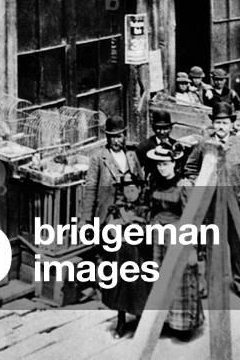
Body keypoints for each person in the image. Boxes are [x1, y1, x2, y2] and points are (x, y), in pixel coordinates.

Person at [185, 101, 240, 300]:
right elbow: (190, 169)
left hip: (236, 205)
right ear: (213, 124)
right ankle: (210, 285)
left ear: (232, 124)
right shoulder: (204, 144)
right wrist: (199, 186)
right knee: (210, 246)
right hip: (211, 205)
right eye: (218, 123)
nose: (221, 127)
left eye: (225, 123)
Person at [147, 144, 203, 335]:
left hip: (178, 236)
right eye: (158, 164)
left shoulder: (184, 185)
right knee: (159, 278)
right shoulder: (154, 182)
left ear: (174, 163)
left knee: (180, 278)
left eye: (165, 164)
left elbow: (192, 217)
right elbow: (152, 209)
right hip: (158, 237)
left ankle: (183, 324)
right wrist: (153, 222)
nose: (161, 168)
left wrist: (193, 246)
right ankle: (163, 322)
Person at [101, 173, 151, 337]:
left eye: (132, 189)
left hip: (139, 254)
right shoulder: (116, 209)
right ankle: (121, 320)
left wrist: (135, 225)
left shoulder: (146, 210)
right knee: (119, 287)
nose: (129, 193)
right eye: (126, 190)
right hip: (119, 255)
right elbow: (106, 231)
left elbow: (148, 233)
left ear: (139, 189)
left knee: (139, 287)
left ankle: (141, 318)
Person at [79, 116, 144, 223]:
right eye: (111, 137)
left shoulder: (131, 155)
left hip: (131, 213)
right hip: (108, 214)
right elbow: (91, 190)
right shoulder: (99, 158)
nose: (115, 141)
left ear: (125, 136)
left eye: (119, 137)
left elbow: (141, 184)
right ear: (107, 137)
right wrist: (85, 219)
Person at [136, 109, 188, 181]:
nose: (162, 132)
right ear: (153, 128)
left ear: (170, 128)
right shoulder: (144, 147)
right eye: (158, 128)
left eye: (165, 128)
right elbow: (138, 170)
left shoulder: (175, 145)